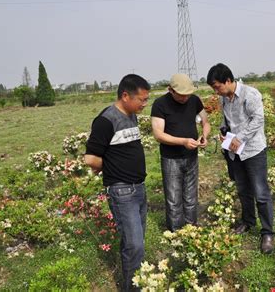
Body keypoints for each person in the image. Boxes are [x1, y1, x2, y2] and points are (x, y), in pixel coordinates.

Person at [84, 74, 151, 291]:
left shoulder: (131, 114)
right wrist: (113, 167)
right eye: (141, 99)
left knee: (134, 243)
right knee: (135, 245)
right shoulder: (106, 120)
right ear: (125, 96)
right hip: (122, 191)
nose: (144, 104)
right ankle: (133, 288)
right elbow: (91, 158)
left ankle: (135, 282)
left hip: (139, 188)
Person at [206, 63, 274, 254]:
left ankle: (268, 233)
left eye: (218, 86)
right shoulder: (224, 99)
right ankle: (248, 221)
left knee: (261, 192)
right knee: (243, 189)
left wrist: (240, 137)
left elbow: (258, 120)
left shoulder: (250, 94)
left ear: (228, 80)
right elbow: (226, 120)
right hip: (235, 151)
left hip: (252, 150)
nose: (216, 91)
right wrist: (224, 132)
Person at [151, 73, 211, 232]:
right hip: (171, 159)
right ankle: (176, 231)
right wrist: (183, 141)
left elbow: (205, 122)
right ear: (171, 90)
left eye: (188, 95)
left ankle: (191, 226)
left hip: (191, 156)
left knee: (191, 195)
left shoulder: (195, 100)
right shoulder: (160, 104)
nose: (185, 98)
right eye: (181, 95)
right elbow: (158, 134)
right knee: (173, 198)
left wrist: (204, 136)